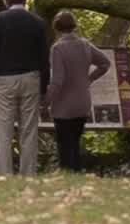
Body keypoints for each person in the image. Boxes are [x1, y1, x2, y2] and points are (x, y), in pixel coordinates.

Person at [0, 0, 49, 175]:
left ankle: (5, 173)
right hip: (30, 78)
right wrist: (43, 87)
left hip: (3, 79)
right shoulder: (37, 22)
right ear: (25, 1)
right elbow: (44, 57)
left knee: (3, 131)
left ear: (7, 2)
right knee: (29, 130)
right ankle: (28, 174)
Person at [46, 10, 112, 172]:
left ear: (56, 28)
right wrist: (89, 79)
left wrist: (45, 101)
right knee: (74, 142)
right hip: (82, 102)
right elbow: (105, 63)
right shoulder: (85, 44)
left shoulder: (58, 49)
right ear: (74, 26)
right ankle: (76, 175)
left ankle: (68, 177)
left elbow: (57, 81)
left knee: (64, 146)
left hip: (63, 105)